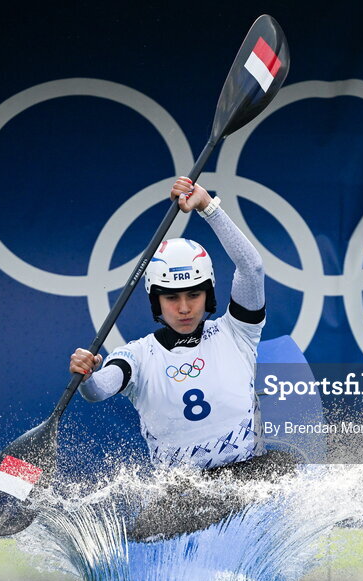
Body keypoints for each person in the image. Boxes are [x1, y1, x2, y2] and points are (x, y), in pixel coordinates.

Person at [69, 176, 294, 542]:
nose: (185, 307)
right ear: (156, 301)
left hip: (245, 480)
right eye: (172, 297)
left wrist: (209, 207)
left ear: (209, 295)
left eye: (194, 294)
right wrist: (88, 375)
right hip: (182, 497)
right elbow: (99, 389)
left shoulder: (238, 333)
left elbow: (251, 268)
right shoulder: (138, 355)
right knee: (139, 536)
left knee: (284, 468)